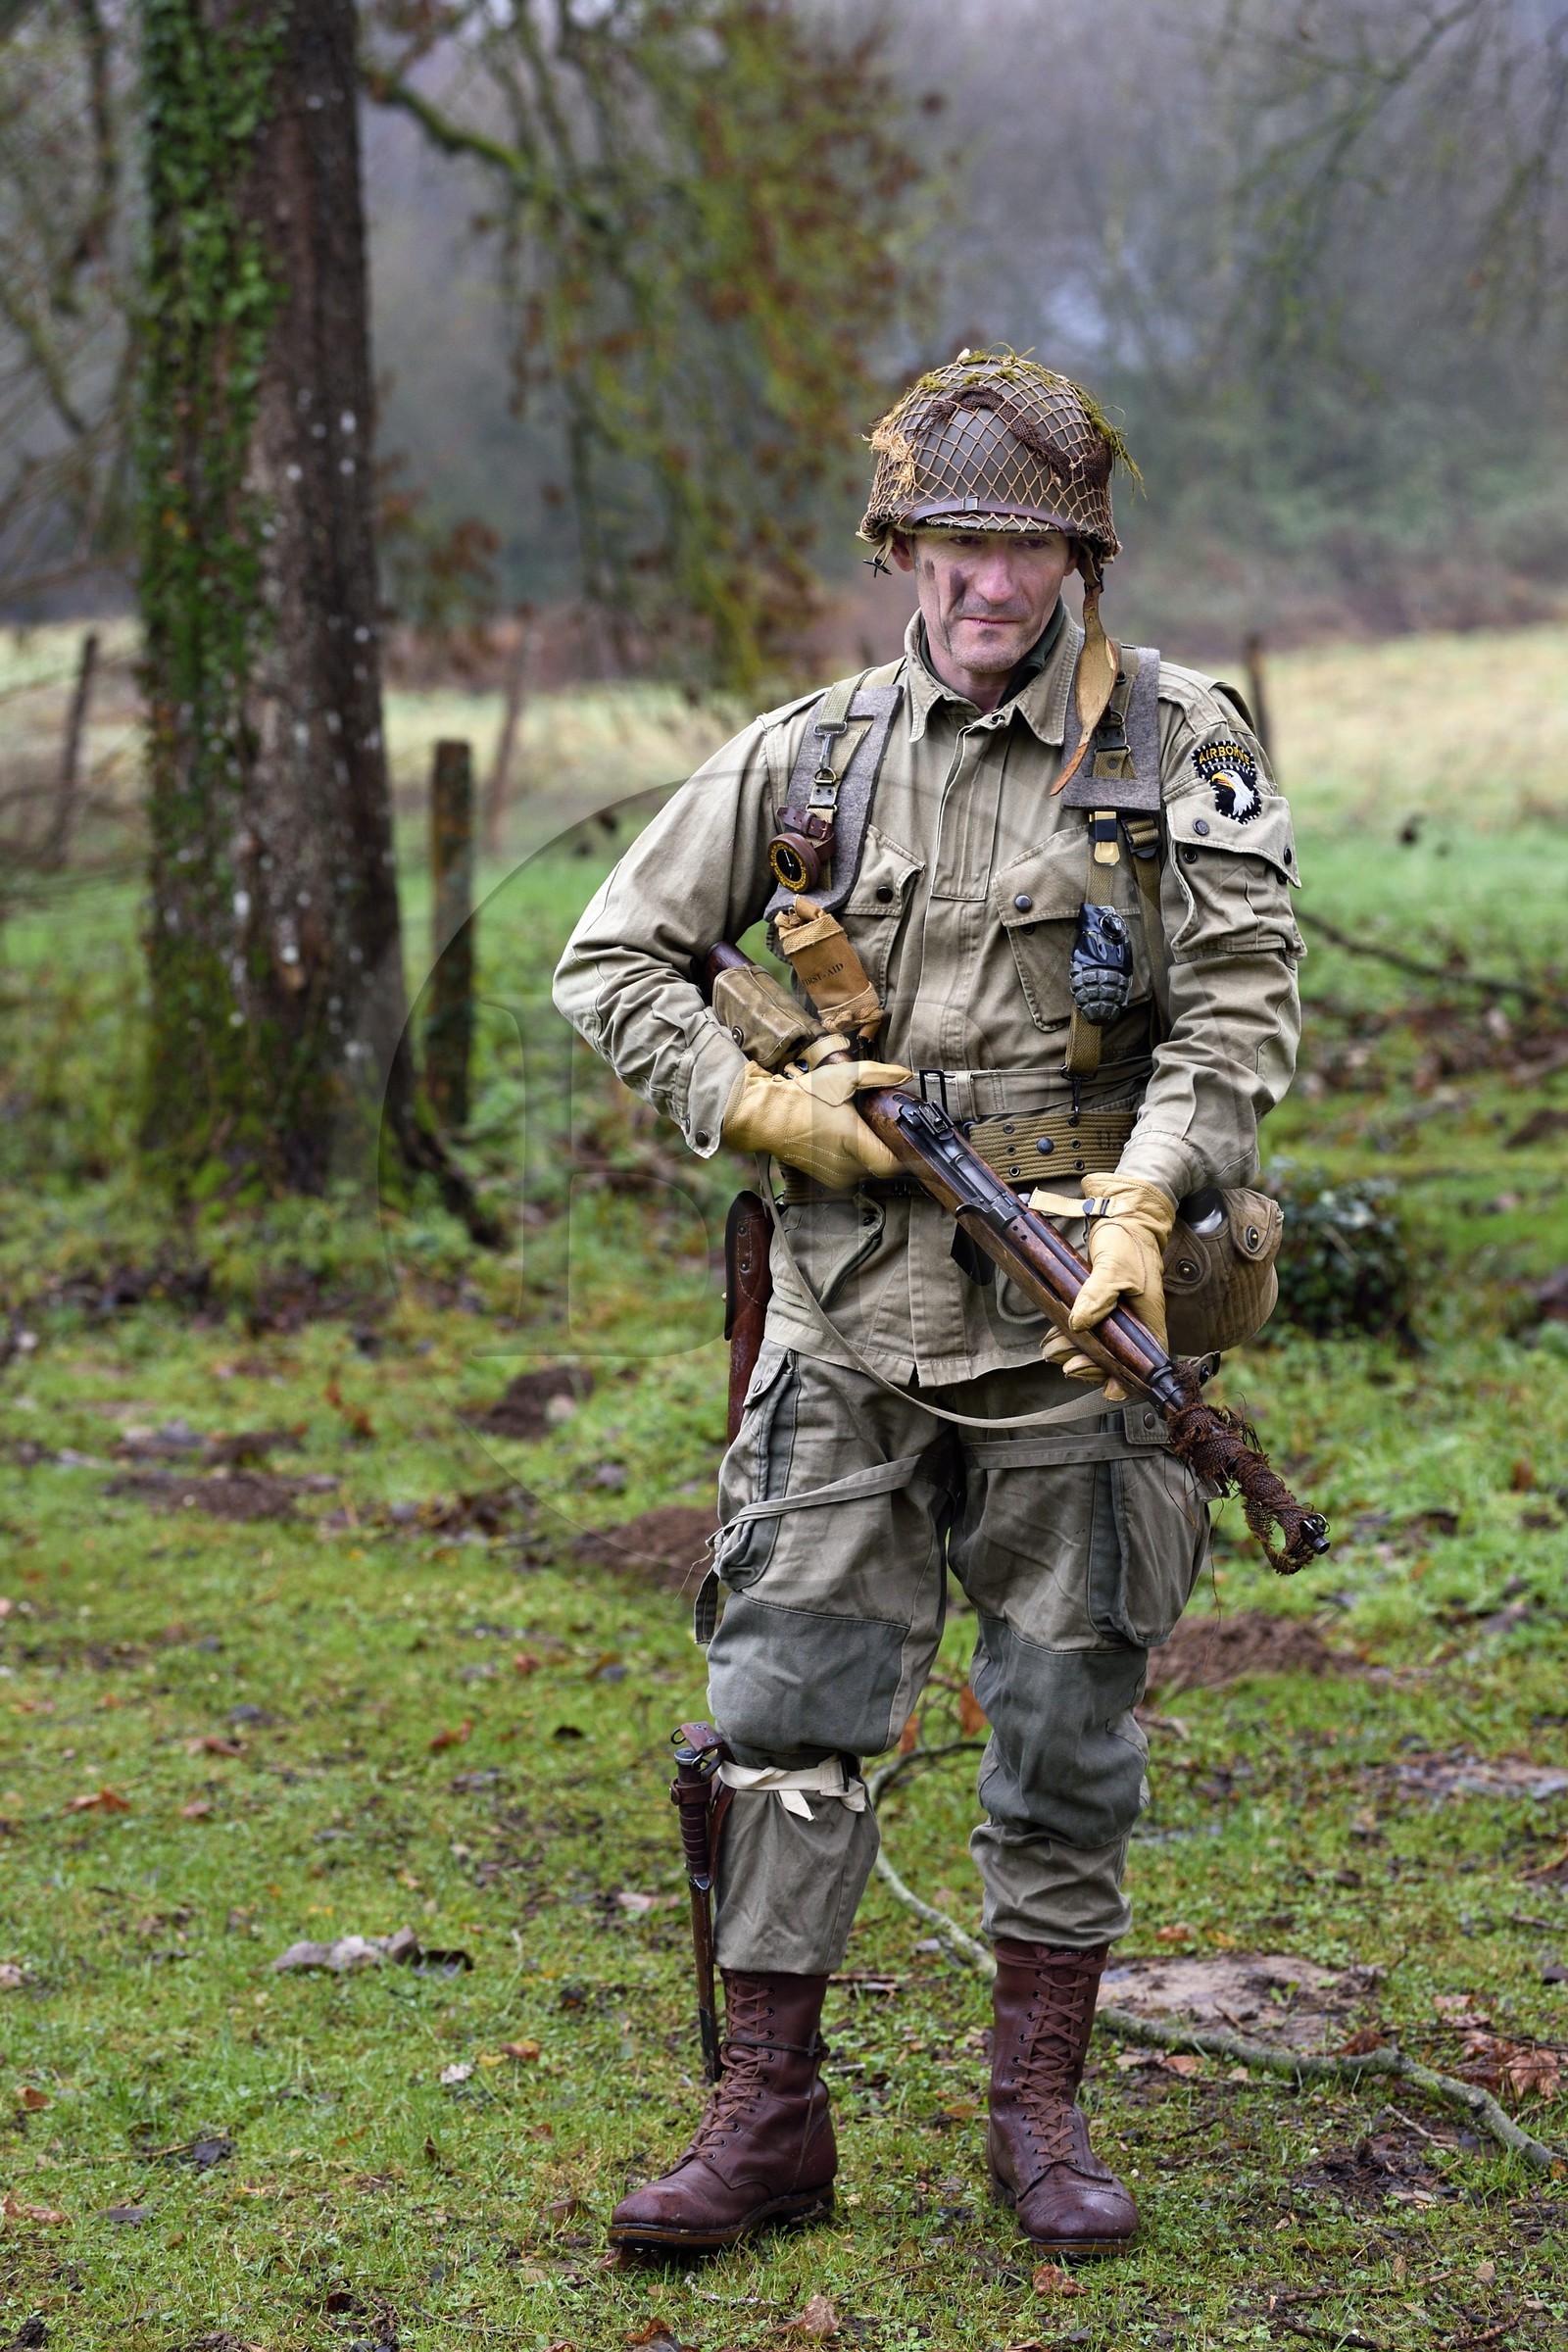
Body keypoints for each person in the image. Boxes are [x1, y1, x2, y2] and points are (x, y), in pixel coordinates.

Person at [553, 351, 1303, 2260]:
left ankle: (1034, 2119)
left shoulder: (1180, 745)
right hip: (845, 1317)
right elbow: (617, 958)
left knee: (1064, 1719)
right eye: (959, 542)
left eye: (1029, 548)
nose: (991, 584)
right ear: (902, 544)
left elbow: (1232, 1019)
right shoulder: (805, 757)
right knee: (785, 1708)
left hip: (1076, 1321)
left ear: (1081, 558)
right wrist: (758, 1101)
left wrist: (1142, 1209)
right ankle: (765, 2119)